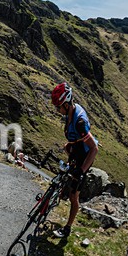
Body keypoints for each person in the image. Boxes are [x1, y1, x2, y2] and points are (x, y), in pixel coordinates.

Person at [51, 82, 98, 239]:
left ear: (66, 103)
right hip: (77, 148)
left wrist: (81, 171)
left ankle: (67, 229)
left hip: (85, 156)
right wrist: (70, 145)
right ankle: (55, 197)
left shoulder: (80, 122)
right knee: (64, 173)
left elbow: (94, 149)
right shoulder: (68, 112)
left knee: (74, 196)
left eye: (58, 107)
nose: (57, 110)